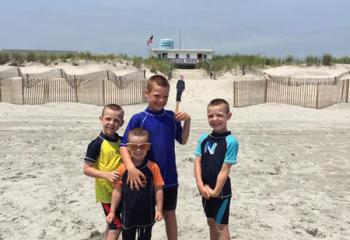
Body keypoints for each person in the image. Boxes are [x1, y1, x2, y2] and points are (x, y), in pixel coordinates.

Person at [120, 74, 191, 240]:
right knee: (141, 216)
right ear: (147, 94)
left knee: (169, 214)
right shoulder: (138, 119)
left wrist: (187, 121)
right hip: (143, 177)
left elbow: (183, 140)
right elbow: (123, 146)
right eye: (157, 96)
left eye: (165, 97)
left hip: (169, 177)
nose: (161, 100)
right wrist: (130, 168)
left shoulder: (171, 117)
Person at [106, 128, 164, 240]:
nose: (138, 150)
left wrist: (159, 210)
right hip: (128, 214)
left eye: (142, 146)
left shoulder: (153, 167)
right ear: (128, 147)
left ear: (148, 147)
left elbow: (158, 189)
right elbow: (117, 191)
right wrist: (112, 211)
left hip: (147, 214)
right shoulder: (122, 168)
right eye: (134, 146)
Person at [194, 98, 239, 240]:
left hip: (221, 191)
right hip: (205, 189)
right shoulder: (203, 139)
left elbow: (225, 169)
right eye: (211, 116)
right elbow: (197, 163)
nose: (215, 119)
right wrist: (200, 186)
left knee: (221, 226)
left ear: (228, 116)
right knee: (211, 222)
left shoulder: (231, 141)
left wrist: (215, 192)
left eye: (219, 115)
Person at [83, 104, 125, 240]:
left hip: (120, 191)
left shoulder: (122, 142)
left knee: (112, 221)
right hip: (106, 193)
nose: (112, 123)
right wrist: (106, 174)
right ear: (101, 119)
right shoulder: (96, 144)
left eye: (116, 120)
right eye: (108, 119)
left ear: (121, 123)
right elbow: (87, 169)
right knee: (117, 226)